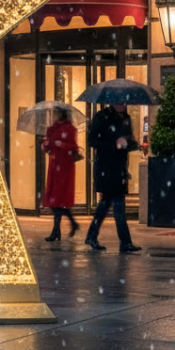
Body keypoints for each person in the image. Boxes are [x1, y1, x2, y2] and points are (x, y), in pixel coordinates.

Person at [86, 102, 142, 253]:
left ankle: (92, 236)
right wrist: (114, 144)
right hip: (106, 167)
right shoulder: (101, 117)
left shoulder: (126, 118)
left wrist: (129, 143)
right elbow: (92, 141)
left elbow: (130, 141)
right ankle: (125, 242)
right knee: (117, 206)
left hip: (119, 168)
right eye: (120, 101)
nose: (123, 104)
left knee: (105, 205)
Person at [41, 108, 80, 241]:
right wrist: (45, 145)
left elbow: (74, 147)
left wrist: (61, 144)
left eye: (56, 113)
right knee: (55, 201)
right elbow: (48, 147)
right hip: (54, 166)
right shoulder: (51, 129)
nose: (54, 116)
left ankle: (57, 231)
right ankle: (69, 225)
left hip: (64, 166)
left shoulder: (70, 129)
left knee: (58, 200)